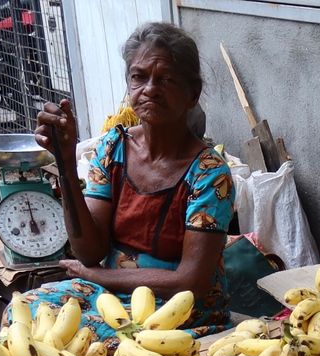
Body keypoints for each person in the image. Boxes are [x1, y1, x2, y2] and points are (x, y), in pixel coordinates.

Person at [28, 21, 234, 338]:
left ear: (192, 94)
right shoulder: (114, 148)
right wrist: (65, 163)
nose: (150, 89)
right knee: (28, 312)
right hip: (111, 293)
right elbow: (89, 252)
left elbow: (190, 282)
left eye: (166, 79)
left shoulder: (209, 172)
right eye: (139, 77)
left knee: (87, 340)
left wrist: (99, 276)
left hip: (178, 306)